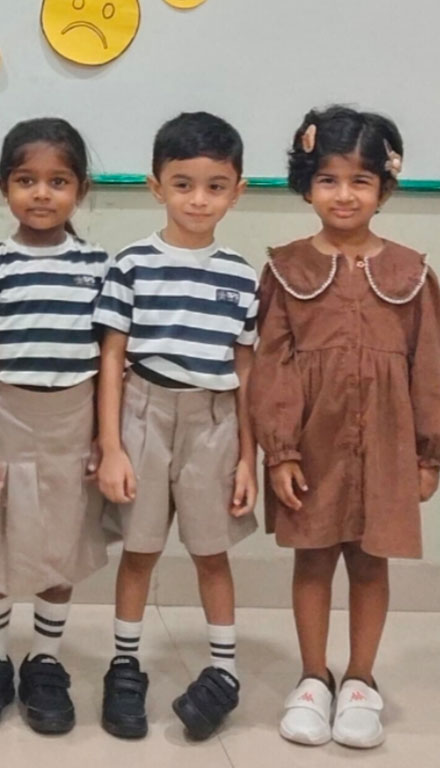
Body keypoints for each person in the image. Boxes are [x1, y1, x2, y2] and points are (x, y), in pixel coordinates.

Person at [250, 106, 440, 749]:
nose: (344, 194)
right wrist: (279, 451)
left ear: (385, 188)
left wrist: (428, 455)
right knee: (312, 559)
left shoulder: (412, 273)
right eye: (328, 179)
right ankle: (313, 677)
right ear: (306, 185)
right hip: (312, 444)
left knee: (370, 562)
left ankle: (360, 680)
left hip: (386, 444)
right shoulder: (285, 268)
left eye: (361, 180)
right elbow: (271, 365)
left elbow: (429, 368)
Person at [95, 112, 258, 741]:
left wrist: (248, 458)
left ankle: (224, 671)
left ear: (237, 191)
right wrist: (112, 445)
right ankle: (124, 666)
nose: (198, 199)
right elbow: (111, 357)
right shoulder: (132, 264)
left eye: (215, 186)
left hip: (214, 422)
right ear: (156, 186)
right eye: (183, 184)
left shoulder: (241, 274)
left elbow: (246, 370)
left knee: (211, 551)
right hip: (143, 412)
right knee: (139, 551)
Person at [0, 117, 109, 735]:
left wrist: (105, 437)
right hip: (5, 419)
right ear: (5, 186)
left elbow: (109, 358)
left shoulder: (98, 267)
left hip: (72, 422)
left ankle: (45, 661)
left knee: (60, 544)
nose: (41, 193)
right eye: (26, 180)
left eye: (58, 181)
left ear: (80, 190)